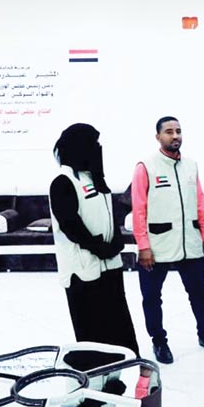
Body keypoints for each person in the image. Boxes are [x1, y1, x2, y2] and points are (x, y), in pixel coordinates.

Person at [132, 116, 204, 364]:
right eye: (169, 132)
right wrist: (143, 246)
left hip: (190, 243)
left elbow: (200, 204)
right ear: (158, 137)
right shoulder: (146, 167)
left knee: (199, 292)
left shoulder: (191, 166)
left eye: (178, 131)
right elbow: (138, 210)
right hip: (157, 246)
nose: (175, 136)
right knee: (152, 296)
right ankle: (159, 341)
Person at [49, 123, 140, 356]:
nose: (97, 149)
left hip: (109, 263)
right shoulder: (63, 181)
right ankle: (96, 375)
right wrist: (99, 248)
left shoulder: (94, 177)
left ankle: (122, 367)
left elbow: (108, 213)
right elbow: (69, 224)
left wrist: (116, 241)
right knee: (92, 326)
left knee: (118, 321)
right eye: (93, 144)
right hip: (82, 268)